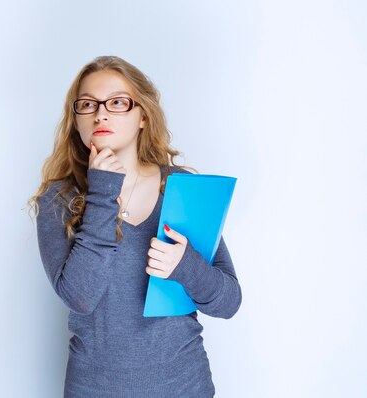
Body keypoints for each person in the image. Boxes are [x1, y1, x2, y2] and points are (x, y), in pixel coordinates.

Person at [27, 55, 242, 397]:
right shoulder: (58, 200)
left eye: (117, 102)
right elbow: (81, 297)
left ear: (142, 115)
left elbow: (228, 302)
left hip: (185, 387)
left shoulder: (182, 188)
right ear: (76, 120)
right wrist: (102, 192)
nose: (101, 113)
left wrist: (185, 266)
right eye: (87, 104)